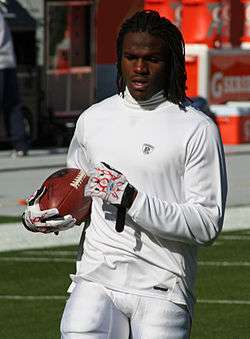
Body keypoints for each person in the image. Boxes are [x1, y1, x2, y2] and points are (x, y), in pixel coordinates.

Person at [22, 10, 227, 339]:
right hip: (97, 275)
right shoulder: (93, 119)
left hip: (162, 283)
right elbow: (81, 188)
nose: (140, 68)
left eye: (152, 59)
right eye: (131, 57)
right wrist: (51, 214)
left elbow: (206, 225)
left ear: (171, 61)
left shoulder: (196, 128)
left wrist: (131, 198)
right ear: (119, 60)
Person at [0, 6, 29, 156]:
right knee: (12, 105)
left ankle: (20, 144)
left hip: (2, 65)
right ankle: (20, 145)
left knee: (11, 105)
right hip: (8, 64)